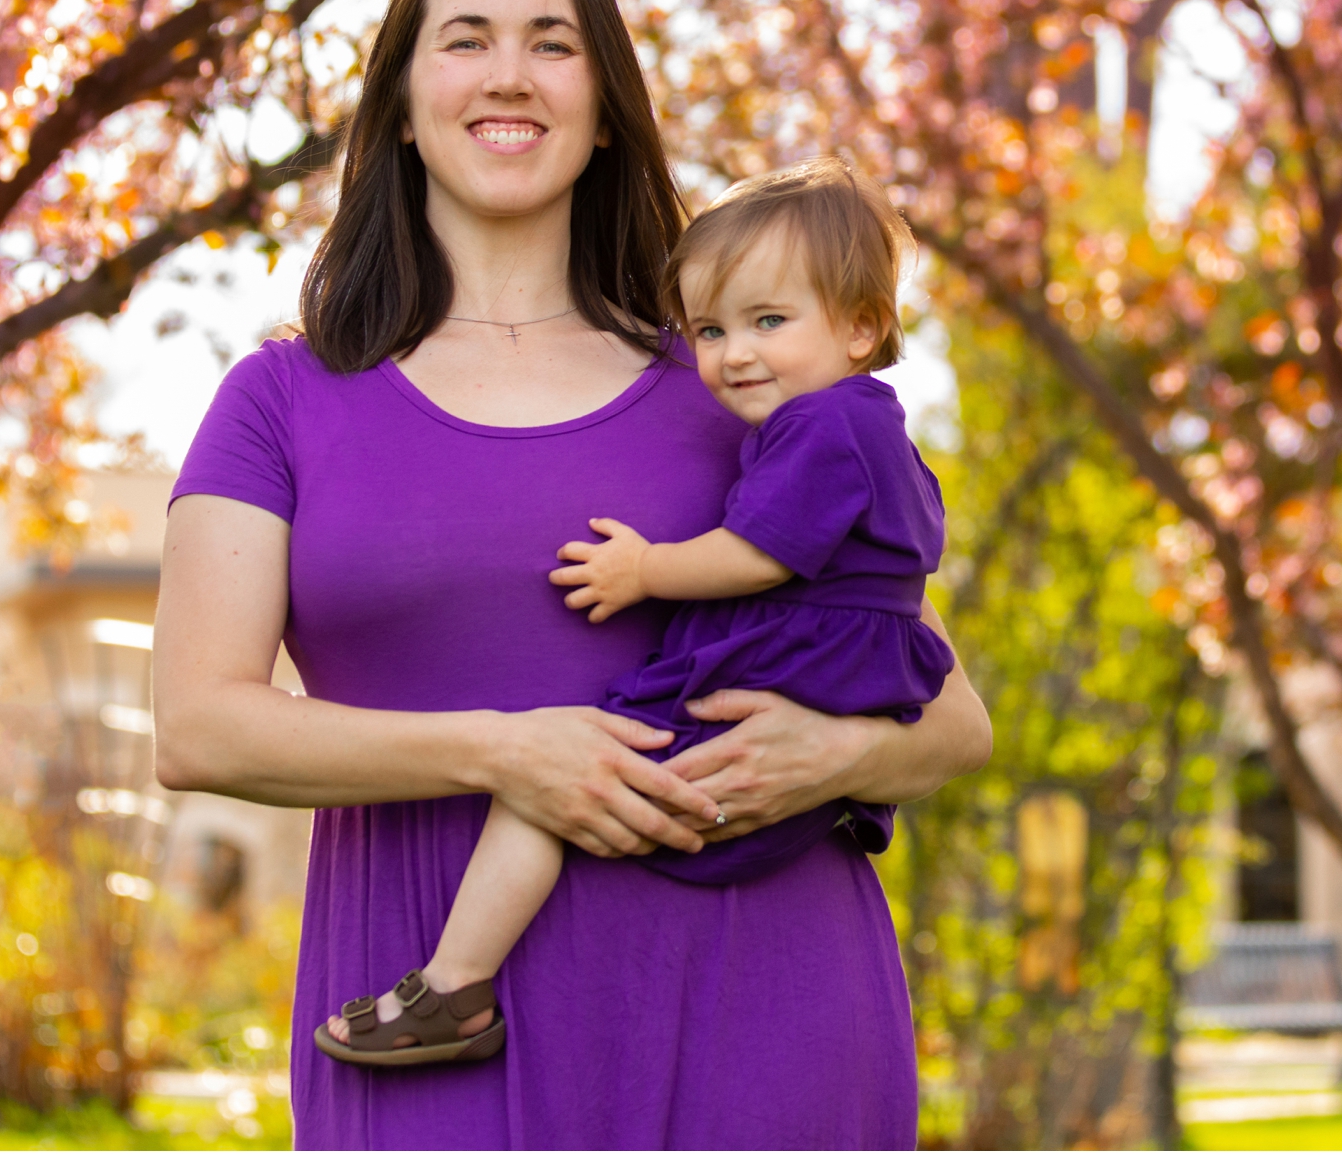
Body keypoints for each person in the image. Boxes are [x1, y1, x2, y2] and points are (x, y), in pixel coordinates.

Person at [150, 0, 993, 1148]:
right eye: (467, 38)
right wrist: (502, 751)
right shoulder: (282, 399)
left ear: (605, 108)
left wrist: (839, 758)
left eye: (553, 42)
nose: (510, 75)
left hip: (759, 1009)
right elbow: (199, 725)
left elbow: (955, 719)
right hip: (429, 1015)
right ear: (400, 97)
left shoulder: (743, 384)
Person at [314, 158, 957, 1073]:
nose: (734, 354)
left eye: (769, 321)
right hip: (845, 666)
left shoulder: (823, 429)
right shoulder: (872, 426)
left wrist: (644, 568)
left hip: (794, 658)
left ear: (862, 325)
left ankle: (454, 985)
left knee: (555, 779)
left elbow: (761, 552)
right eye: (710, 329)